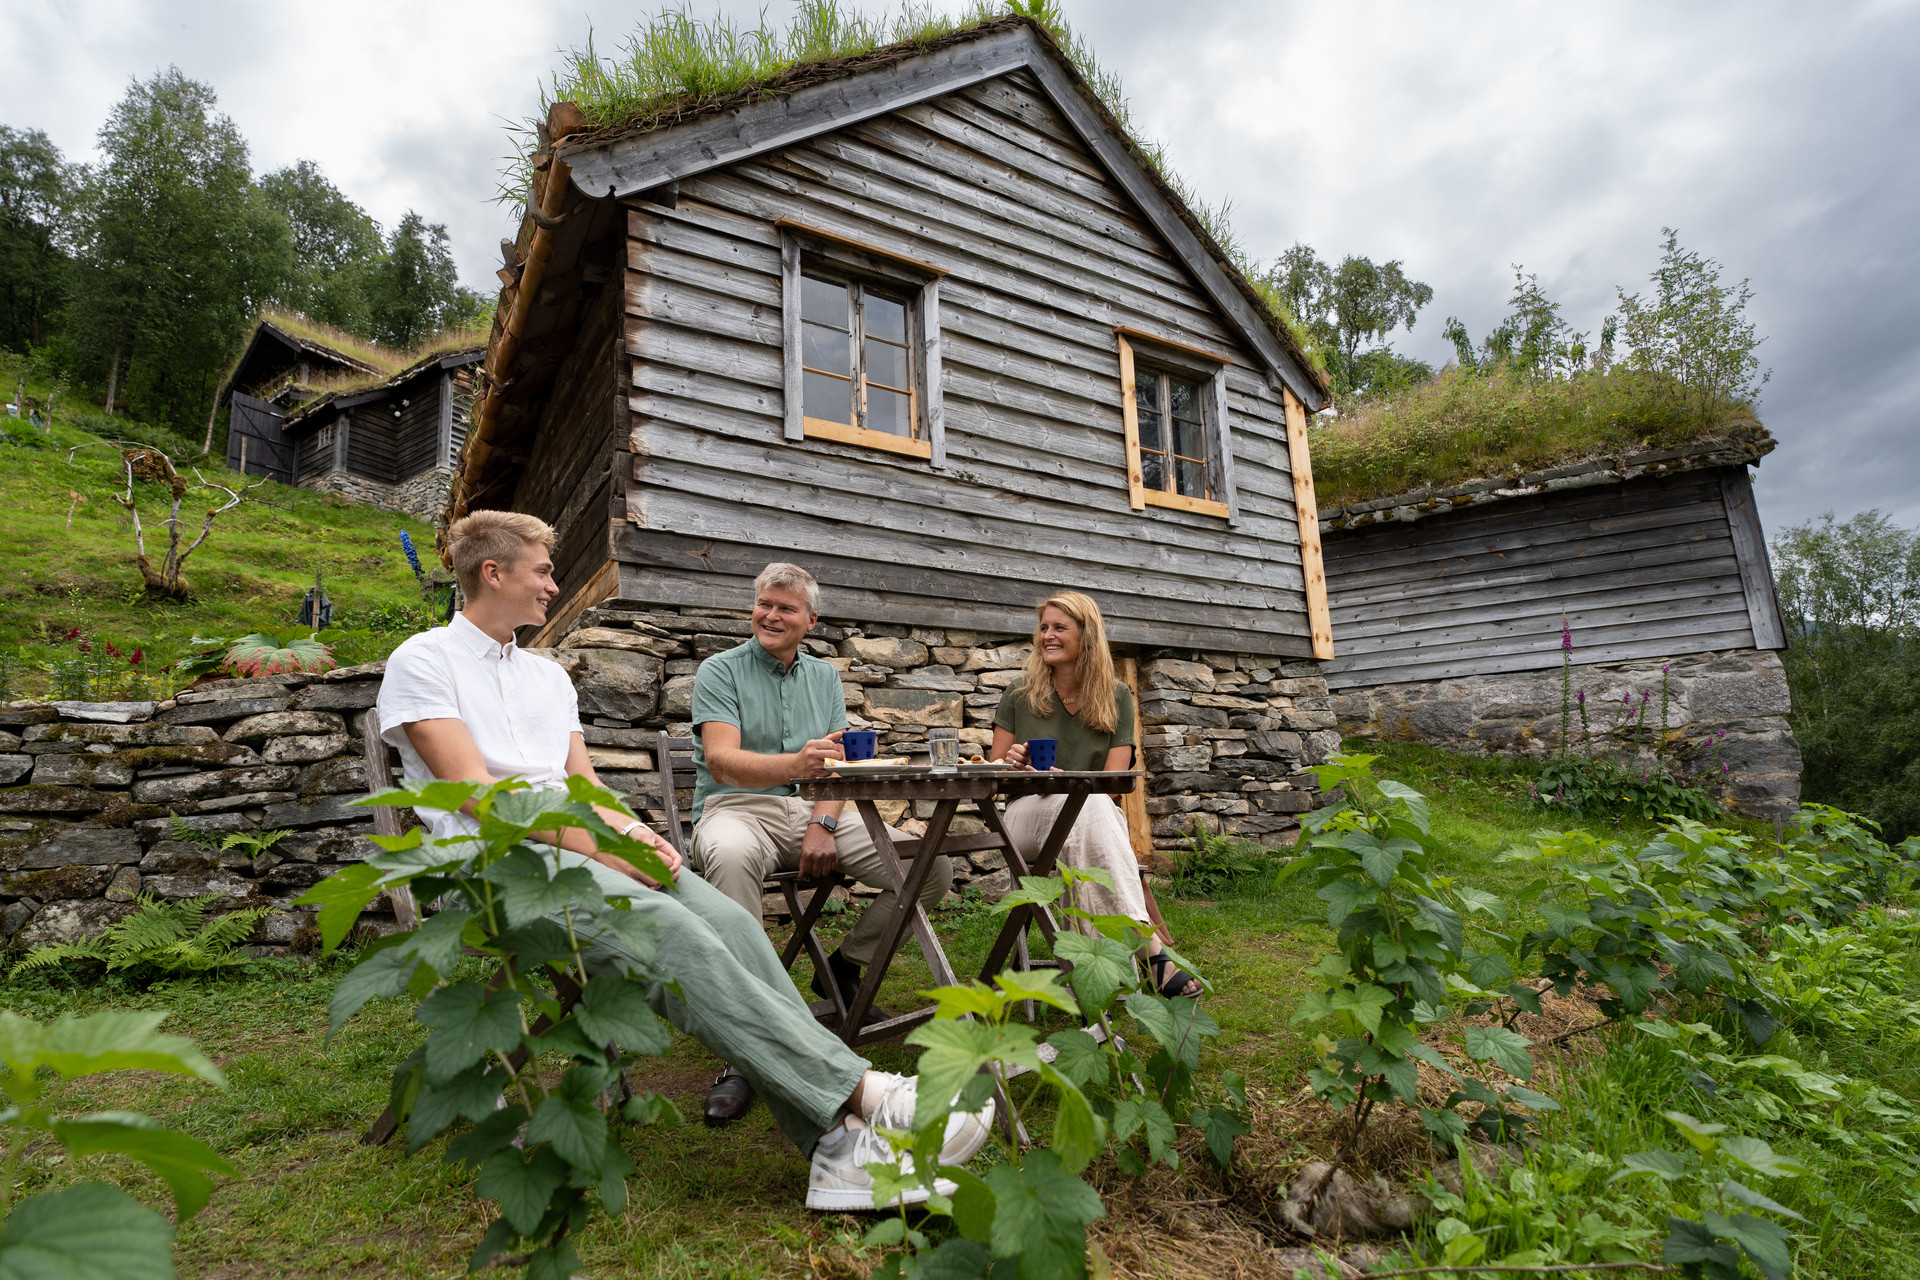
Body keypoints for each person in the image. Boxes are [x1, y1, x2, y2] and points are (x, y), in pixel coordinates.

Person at [374, 511, 988, 1211]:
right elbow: (479, 800)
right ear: (494, 572)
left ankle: (836, 1152)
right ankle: (865, 1097)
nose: (553, 584)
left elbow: (584, 789)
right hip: (493, 870)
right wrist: (601, 844)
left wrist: (631, 833)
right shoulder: (425, 660)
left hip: (578, 850)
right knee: (671, 934)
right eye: (543, 570)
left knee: (730, 922)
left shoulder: (546, 677)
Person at [687, 562, 955, 1125]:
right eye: (765, 603)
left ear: (811, 619)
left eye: (786, 608)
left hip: (816, 811)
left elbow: (840, 769)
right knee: (729, 857)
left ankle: (843, 967)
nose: (771, 615)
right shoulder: (720, 670)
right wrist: (795, 764)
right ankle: (747, 1051)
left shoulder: (825, 678)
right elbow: (722, 761)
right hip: (738, 808)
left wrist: (823, 823)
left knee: (930, 869)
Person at [990, 590, 1201, 998]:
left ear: (1086, 636)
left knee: (1091, 806)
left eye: (1059, 628)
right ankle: (1150, 950)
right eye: (1044, 628)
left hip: (1088, 813)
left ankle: (1094, 975)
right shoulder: (1019, 693)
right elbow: (992, 775)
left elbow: (1114, 781)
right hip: (1023, 818)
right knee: (1091, 809)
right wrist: (1012, 762)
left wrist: (1069, 780)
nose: (1047, 636)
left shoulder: (1117, 696)